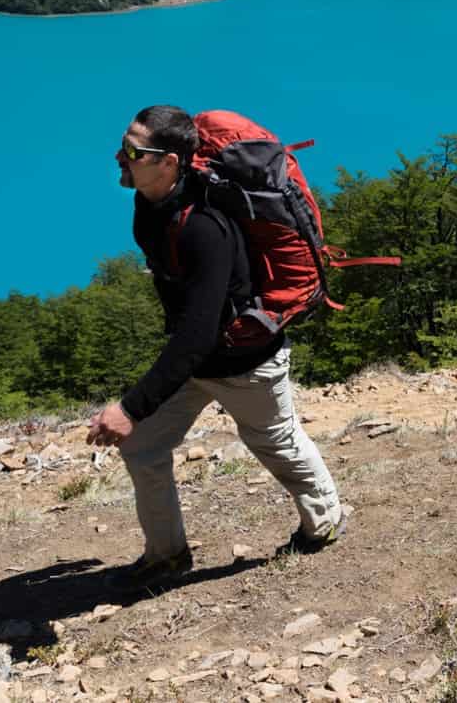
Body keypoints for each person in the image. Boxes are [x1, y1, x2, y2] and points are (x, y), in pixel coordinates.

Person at [88, 104, 347, 592]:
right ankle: (166, 556)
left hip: (248, 363)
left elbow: (198, 330)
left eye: (131, 151)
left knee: (276, 443)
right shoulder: (150, 204)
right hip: (198, 359)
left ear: (168, 161)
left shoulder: (204, 226)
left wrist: (130, 406)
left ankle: (326, 519)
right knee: (142, 447)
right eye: (121, 145)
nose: (119, 158)